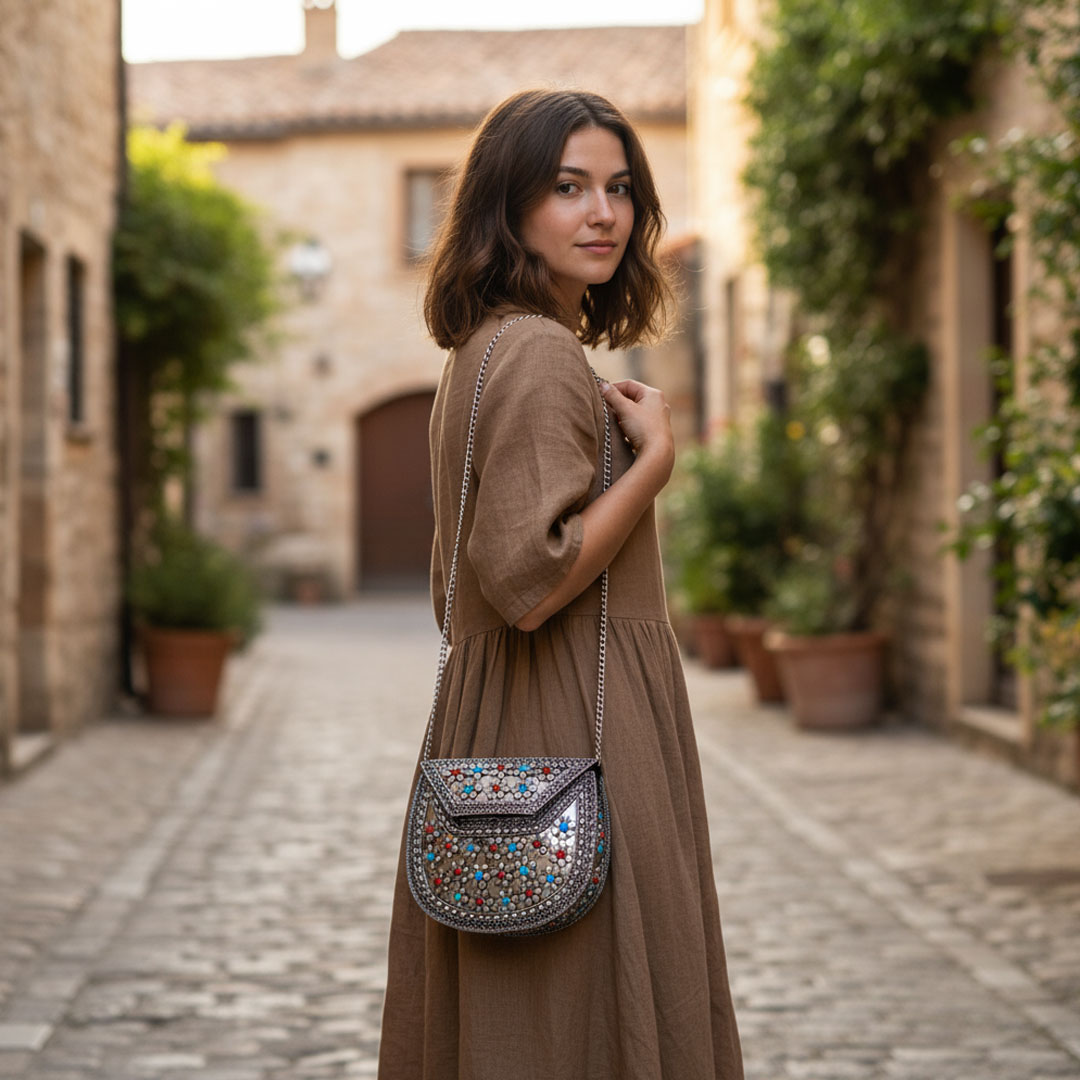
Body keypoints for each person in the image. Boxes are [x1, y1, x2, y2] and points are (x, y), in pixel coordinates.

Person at [378, 88, 744, 1080]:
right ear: (511, 205)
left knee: (528, 1017)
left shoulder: (480, 351)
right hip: (575, 720)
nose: (604, 214)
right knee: (586, 1013)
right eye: (569, 186)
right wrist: (656, 464)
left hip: (504, 716)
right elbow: (529, 581)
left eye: (621, 188)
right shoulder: (539, 354)